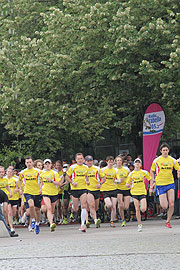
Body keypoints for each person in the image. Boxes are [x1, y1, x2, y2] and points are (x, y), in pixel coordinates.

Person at [150, 143, 180, 228]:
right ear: (161, 151)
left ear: (168, 151)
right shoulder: (157, 160)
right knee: (164, 206)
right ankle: (164, 207)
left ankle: (168, 221)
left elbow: (178, 168)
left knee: (171, 204)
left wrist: (178, 173)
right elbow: (151, 171)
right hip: (160, 184)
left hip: (170, 183)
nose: (165, 152)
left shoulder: (172, 160)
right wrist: (153, 181)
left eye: (166, 150)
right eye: (163, 150)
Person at [126, 158, 153, 232]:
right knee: (137, 208)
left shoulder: (144, 172)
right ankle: (139, 224)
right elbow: (127, 183)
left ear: (141, 165)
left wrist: (151, 187)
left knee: (143, 209)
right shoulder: (131, 174)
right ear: (134, 164)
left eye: (139, 163)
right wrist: (128, 185)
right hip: (134, 192)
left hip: (142, 192)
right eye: (136, 162)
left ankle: (142, 208)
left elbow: (150, 179)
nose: (137, 164)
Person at [66, 153, 88, 232]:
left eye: (81, 158)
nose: (80, 160)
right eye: (78, 159)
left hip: (83, 188)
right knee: (76, 209)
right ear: (76, 160)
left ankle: (82, 224)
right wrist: (72, 182)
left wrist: (87, 181)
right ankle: (72, 207)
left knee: (84, 205)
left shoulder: (86, 167)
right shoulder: (72, 167)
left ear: (83, 159)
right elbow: (67, 177)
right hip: (74, 189)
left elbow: (86, 176)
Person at [19, 157, 41, 234]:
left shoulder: (38, 171)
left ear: (32, 163)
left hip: (37, 192)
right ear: (25, 163)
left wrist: (41, 188)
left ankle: (37, 224)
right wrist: (20, 189)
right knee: (31, 205)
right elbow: (20, 180)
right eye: (27, 162)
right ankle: (33, 221)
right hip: (27, 192)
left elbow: (41, 180)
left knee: (37, 210)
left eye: (30, 162)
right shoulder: (23, 172)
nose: (28, 164)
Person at [40, 159, 63, 232]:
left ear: (51, 165)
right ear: (44, 165)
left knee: (52, 210)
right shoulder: (42, 173)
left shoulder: (54, 173)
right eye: (46, 164)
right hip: (45, 192)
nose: (47, 165)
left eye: (48, 164)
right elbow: (41, 182)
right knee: (49, 208)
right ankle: (51, 223)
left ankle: (50, 219)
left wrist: (52, 181)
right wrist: (40, 189)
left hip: (54, 193)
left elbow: (59, 184)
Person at [85, 155, 105, 228]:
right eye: (88, 161)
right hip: (88, 189)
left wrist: (100, 183)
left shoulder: (97, 169)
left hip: (96, 189)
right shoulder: (84, 169)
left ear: (92, 161)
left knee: (95, 207)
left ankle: (91, 216)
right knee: (91, 205)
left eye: (90, 161)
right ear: (85, 162)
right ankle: (94, 220)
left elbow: (103, 178)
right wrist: (86, 181)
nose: (89, 162)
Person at [100, 156, 118, 227]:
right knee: (109, 205)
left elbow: (117, 178)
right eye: (109, 162)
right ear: (107, 162)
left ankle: (112, 221)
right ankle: (106, 207)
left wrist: (118, 181)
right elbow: (100, 177)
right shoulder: (103, 170)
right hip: (105, 189)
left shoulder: (115, 170)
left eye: (112, 162)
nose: (110, 163)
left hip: (114, 189)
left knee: (113, 206)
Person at [115, 156, 130, 227]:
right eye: (117, 160)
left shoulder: (126, 169)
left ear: (122, 161)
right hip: (118, 188)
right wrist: (117, 181)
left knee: (126, 207)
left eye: (120, 160)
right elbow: (112, 180)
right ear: (116, 162)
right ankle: (123, 219)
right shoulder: (114, 170)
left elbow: (130, 178)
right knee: (121, 205)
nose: (119, 162)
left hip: (126, 188)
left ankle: (123, 212)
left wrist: (129, 184)